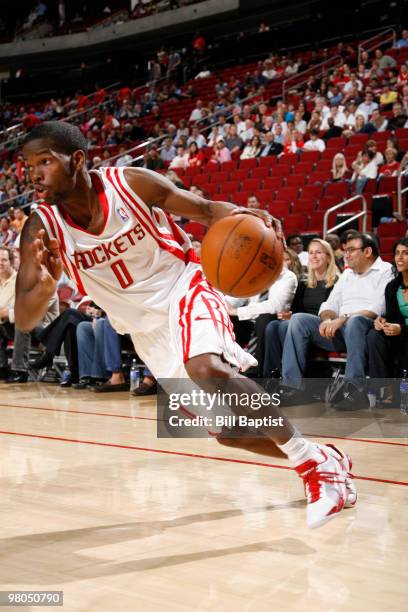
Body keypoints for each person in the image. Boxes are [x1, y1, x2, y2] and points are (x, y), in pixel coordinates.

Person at [16, 120, 357, 528]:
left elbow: (207, 211)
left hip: (184, 285)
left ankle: (314, 470)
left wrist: (250, 218)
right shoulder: (41, 227)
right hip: (145, 328)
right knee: (228, 433)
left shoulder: (132, 184)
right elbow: (24, 316)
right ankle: (323, 456)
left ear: (76, 160)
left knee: (206, 367)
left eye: (44, 161)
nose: (34, 173)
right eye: (27, 165)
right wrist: (45, 287)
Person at [280, 233, 394, 410]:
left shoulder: (386, 270)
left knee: (355, 321)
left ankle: (354, 390)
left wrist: (342, 319)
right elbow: (330, 303)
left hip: (366, 328)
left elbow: (378, 307)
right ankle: (292, 387)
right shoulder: (347, 274)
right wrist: (326, 319)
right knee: (298, 320)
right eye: (345, 250)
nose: (346, 254)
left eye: (351, 250)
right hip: (339, 330)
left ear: (368, 251)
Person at [263, 239, 338, 377]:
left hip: (324, 327)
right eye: (311, 253)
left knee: (291, 323)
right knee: (273, 326)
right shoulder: (303, 284)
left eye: (318, 252)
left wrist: (295, 318)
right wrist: (289, 316)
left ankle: (291, 381)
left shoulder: (338, 282)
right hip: (300, 324)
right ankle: (271, 376)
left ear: (328, 257)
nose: (314, 256)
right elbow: (296, 312)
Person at [367, 238, 408, 403]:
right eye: (397, 253)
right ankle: (382, 390)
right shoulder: (392, 287)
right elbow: (392, 317)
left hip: (405, 333)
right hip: (400, 335)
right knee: (374, 335)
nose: (400, 258)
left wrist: (402, 329)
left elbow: (400, 327)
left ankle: (399, 392)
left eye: (406, 253)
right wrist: (382, 322)